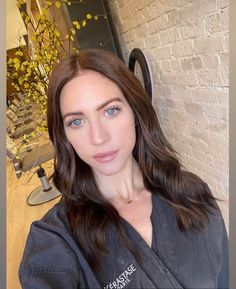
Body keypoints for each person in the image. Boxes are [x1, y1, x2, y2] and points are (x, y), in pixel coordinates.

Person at [19, 49, 229, 289]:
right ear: (64, 136)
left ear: (135, 112)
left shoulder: (192, 193)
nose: (98, 137)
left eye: (110, 111)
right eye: (76, 121)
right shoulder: (56, 240)